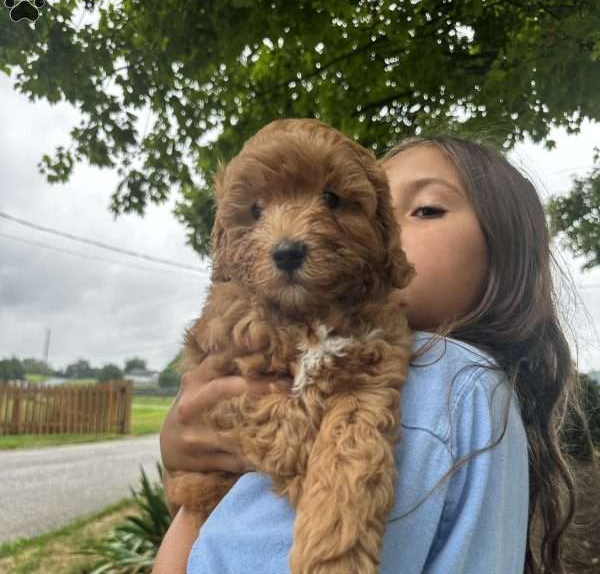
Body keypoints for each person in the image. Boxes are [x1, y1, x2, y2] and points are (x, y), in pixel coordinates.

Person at [155, 135, 581, 574]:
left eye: (426, 209)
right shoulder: (487, 394)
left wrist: (190, 510)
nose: (386, 229)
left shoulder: (439, 377)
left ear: (505, 253)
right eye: (377, 207)